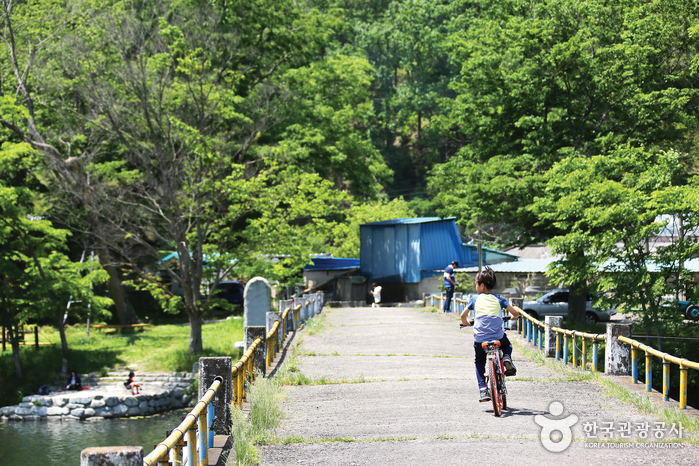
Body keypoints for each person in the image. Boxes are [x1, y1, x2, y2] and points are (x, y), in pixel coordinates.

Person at [460, 266, 519, 402]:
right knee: (507, 345)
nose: (476, 287)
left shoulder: (475, 299)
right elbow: (515, 313)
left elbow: (463, 316)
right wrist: (512, 318)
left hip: (480, 338)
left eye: (476, 284)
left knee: (479, 361)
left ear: (481, 286)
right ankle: (506, 358)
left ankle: (482, 389)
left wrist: (466, 323)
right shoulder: (499, 299)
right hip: (497, 335)